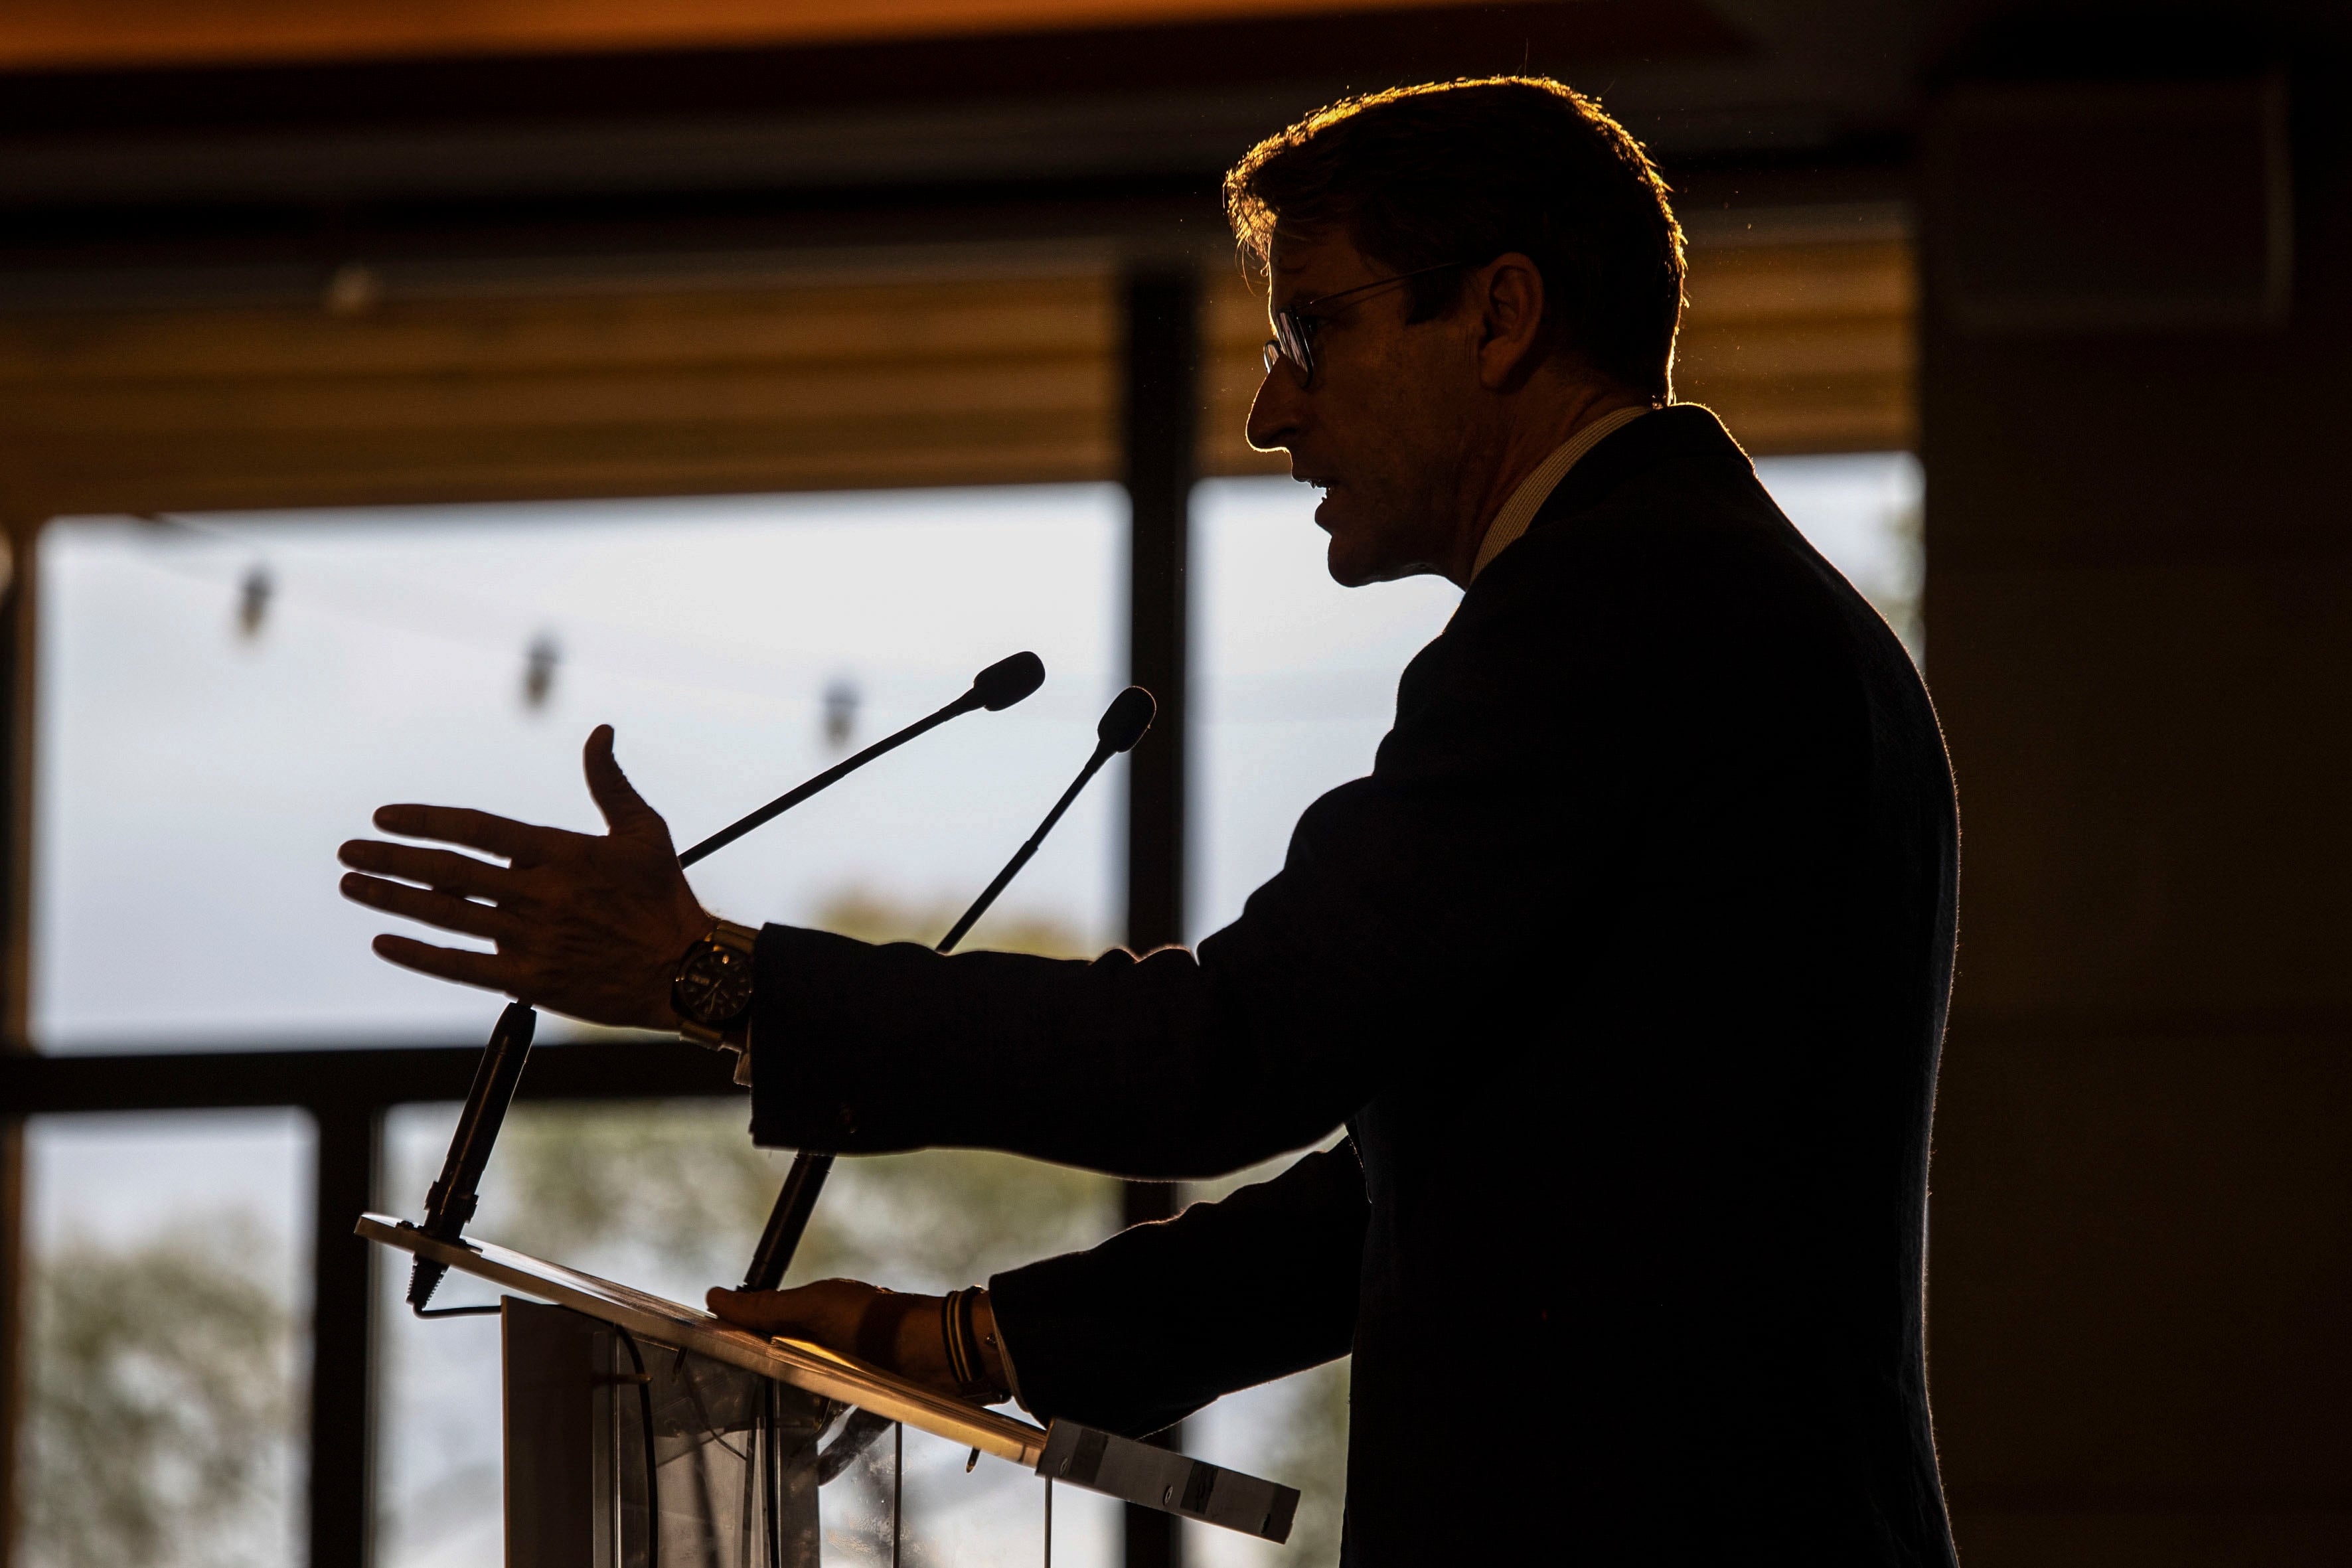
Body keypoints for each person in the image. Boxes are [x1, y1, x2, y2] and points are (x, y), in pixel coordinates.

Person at [339, 77, 1961, 1565]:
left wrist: (715, 972)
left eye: (1313, 331)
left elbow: (1229, 1049)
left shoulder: (1613, 609)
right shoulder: (1728, 600)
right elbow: (1415, 1200)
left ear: (1500, 313)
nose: (1271, 410)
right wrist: (962, 1341)